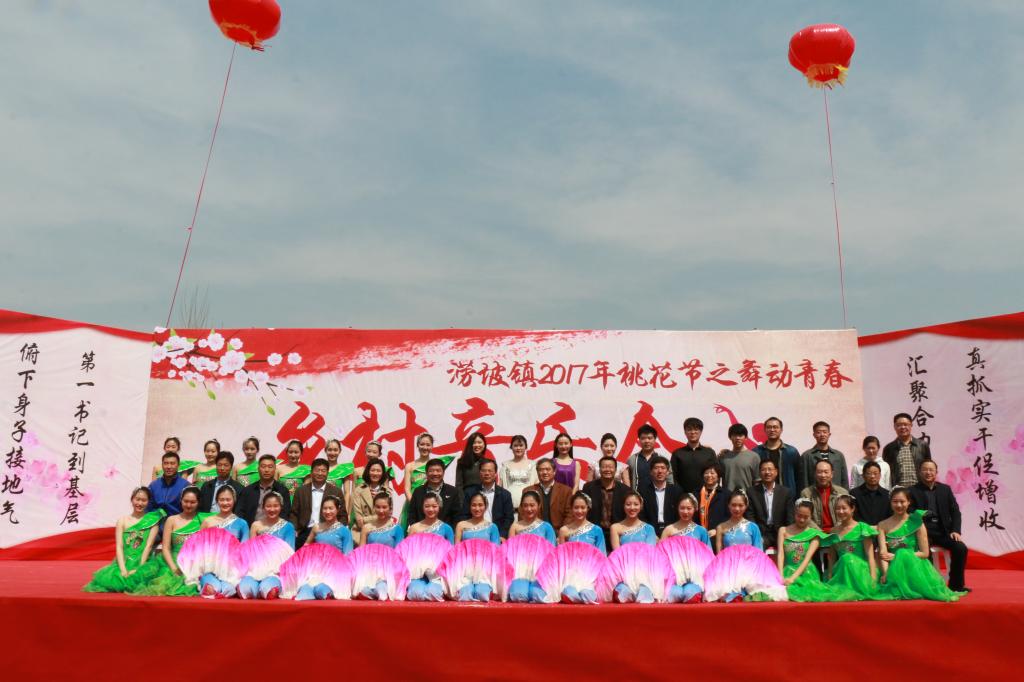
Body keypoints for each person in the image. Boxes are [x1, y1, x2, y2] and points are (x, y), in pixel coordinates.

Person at [878, 488, 964, 601]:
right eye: (895, 501)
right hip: (893, 569)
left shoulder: (917, 522)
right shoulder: (882, 525)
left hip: (916, 567)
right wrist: (886, 575)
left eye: (902, 501)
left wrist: (899, 556)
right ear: (890, 502)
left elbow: (924, 553)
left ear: (909, 502)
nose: (899, 505)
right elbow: (883, 554)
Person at [83, 487, 164, 593]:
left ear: (148, 502)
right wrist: (122, 569)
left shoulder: (152, 521)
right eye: (137, 499)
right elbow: (119, 546)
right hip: (124, 562)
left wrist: (139, 569)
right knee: (117, 581)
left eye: (144, 500)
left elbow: (148, 547)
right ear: (132, 499)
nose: (140, 503)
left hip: (144, 562)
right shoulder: (122, 521)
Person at [132, 486, 208, 597]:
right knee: (164, 584)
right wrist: (173, 568)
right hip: (172, 562)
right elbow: (166, 548)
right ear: (181, 500)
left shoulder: (203, 521)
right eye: (186, 501)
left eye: (192, 502)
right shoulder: (171, 520)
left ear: (198, 502)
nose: (188, 505)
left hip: (195, 563)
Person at [909, 460, 969, 592]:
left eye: (931, 470)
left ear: (936, 472)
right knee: (925, 552)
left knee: (960, 548)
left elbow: (955, 512)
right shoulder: (912, 491)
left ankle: (956, 585)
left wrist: (955, 530)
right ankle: (931, 586)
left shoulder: (945, 489)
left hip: (943, 531)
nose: (928, 472)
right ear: (920, 472)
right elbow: (909, 512)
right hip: (923, 532)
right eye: (925, 469)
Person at [776, 499, 854, 602]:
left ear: (811, 516)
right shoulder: (783, 530)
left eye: (806, 517)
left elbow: (806, 559)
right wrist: (780, 576)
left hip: (806, 573)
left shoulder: (814, 534)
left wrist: (793, 578)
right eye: (799, 516)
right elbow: (780, 554)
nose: (802, 520)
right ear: (795, 513)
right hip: (787, 571)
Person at [822, 495, 888, 600]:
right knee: (845, 559)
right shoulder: (834, 531)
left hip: (861, 573)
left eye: (844, 508)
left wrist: (873, 580)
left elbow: (870, 557)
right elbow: (832, 558)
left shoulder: (862, 528)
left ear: (852, 509)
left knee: (847, 558)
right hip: (842, 571)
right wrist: (830, 576)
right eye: (838, 508)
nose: (840, 511)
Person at [290, 458, 345, 547]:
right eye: (317, 470)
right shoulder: (301, 491)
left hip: (328, 531)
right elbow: (294, 513)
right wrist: (294, 529)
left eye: (323, 471)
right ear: (311, 472)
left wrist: (336, 531)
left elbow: (343, 516)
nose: (320, 473)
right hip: (305, 531)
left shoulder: (336, 491)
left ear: (327, 473)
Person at [581, 455, 630, 549]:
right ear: (599, 470)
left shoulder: (625, 490)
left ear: (615, 470)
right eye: (604, 467)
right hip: (594, 532)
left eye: (611, 467)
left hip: (617, 533)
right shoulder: (588, 487)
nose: (607, 470)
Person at [745, 459, 794, 550]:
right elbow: (750, 516)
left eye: (770, 469)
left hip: (781, 532)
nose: (767, 472)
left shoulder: (786, 492)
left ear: (776, 472)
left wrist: (787, 534)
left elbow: (790, 517)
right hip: (761, 533)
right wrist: (756, 534)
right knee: (756, 548)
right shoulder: (751, 492)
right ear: (759, 473)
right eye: (764, 469)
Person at [459, 459, 514, 538]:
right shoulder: (470, 493)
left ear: (495, 474)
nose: (487, 473)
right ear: (479, 473)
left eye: (490, 471)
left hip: (497, 536)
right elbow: (464, 515)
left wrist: (501, 536)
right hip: (474, 535)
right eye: (484, 471)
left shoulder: (505, 495)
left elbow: (509, 518)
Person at [237, 454, 293, 526]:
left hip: (274, 530)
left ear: (275, 469)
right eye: (263, 467)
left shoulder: (282, 491)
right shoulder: (247, 491)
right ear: (258, 469)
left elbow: (285, 514)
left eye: (270, 467)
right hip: (251, 529)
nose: (266, 470)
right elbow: (240, 512)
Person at [883, 413, 932, 489]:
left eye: (905, 424)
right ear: (894, 427)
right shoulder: (889, 448)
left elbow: (928, 467)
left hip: (919, 490)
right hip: (898, 491)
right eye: (899, 425)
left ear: (911, 425)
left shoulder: (922, 445)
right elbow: (886, 471)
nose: (903, 427)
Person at [408, 458, 461, 528]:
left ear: (443, 472)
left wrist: (448, 531)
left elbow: (457, 516)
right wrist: (418, 530)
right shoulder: (418, 492)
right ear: (426, 473)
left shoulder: (452, 491)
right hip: (422, 532)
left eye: (438, 471)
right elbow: (412, 515)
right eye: (431, 471)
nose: (435, 474)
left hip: (444, 533)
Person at [800, 459, 849, 533]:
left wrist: (835, 531)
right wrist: (820, 533)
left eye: (826, 472)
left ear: (832, 474)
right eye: (819, 472)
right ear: (815, 474)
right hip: (815, 533)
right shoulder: (806, 493)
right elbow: (805, 516)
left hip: (839, 532)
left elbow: (846, 515)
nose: (823, 475)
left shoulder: (842, 492)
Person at [753, 417, 801, 492]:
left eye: (775, 427)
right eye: (769, 427)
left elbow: (799, 477)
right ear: (765, 430)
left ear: (781, 430)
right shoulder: (757, 452)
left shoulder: (791, 452)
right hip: (763, 495)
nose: (772, 430)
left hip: (787, 495)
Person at [670, 417, 716, 495]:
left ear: (701, 431)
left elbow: (716, 474)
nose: (693, 432)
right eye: (689, 429)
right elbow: (673, 477)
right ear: (685, 432)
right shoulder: (677, 453)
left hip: (706, 495)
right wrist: (679, 493)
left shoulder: (709, 452)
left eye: (696, 429)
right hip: (683, 496)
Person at [639, 455, 683, 536]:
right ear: (651, 472)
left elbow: (679, 514)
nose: (660, 471)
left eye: (663, 468)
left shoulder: (677, 491)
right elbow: (641, 515)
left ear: (668, 472)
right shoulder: (643, 491)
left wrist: (672, 531)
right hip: (649, 531)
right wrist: (650, 533)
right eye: (656, 468)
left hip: (672, 530)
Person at [524, 458, 573, 531]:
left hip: (559, 532)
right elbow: (523, 515)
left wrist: (562, 532)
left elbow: (570, 515)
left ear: (554, 471)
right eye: (541, 470)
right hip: (535, 532)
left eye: (548, 469)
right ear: (537, 472)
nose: (544, 472)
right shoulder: (528, 491)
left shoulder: (566, 491)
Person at [148, 451, 190, 532]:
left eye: (172, 463)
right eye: (166, 463)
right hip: (156, 526)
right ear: (162, 465)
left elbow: (189, 510)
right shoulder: (154, 485)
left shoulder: (185, 486)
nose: (169, 467)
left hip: (177, 527)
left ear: (178, 466)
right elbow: (147, 508)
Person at [799, 422, 848, 491]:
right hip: (814, 494)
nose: (822, 435)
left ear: (829, 434)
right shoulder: (807, 455)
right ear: (814, 435)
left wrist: (845, 494)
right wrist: (806, 495)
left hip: (836, 494)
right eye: (818, 432)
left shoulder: (838, 455)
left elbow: (844, 479)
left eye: (825, 432)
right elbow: (804, 480)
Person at [623, 424, 673, 491]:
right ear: (639, 440)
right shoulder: (632, 459)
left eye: (649, 438)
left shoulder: (663, 459)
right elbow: (627, 481)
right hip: (637, 496)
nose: (647, 441)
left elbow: (670, 482)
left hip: (658, 496)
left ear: (655, 439)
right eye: (643, 438)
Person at [350, 457, 391, 531]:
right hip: (360, 531)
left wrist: (365, 519)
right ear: (368, 471)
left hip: (382, 531)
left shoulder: (387, 492)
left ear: (382, 473)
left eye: (378, 471)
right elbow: (359, 520)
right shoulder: (358, 490)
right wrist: (377, 518)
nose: (375, 473)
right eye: (372, 470)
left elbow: (387, 517)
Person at [719, 424, 761, 493]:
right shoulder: (723, 457)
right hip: (727, 497)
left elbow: (757, 481)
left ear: (746, 437)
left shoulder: (754, 457)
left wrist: (754, 496)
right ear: (730, 437)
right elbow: (716, 479)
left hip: (748, 496)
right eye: (734, 435)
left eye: (740, 435)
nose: (738, 438)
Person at [499, 434, 536, 511]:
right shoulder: (505, 465)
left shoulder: (533, 465)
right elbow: (500, 487)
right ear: (511, 447)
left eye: (521, 445)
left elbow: (537, 487)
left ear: (526, 447)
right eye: (515, 446)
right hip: (510, 510)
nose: (518, 448)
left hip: (529, 510)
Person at [697, 462, 730, 540]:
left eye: (712, 473)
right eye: (706, 473)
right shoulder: (696, 493)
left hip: (718, 536)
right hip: (699, 536)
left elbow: (729, 516)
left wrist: (717, 530)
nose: (709, 475)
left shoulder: (726, 494)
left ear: (718, 476)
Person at [850, 461, 890, 526]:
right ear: (863, 476)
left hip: (882, 529)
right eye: (868, 473)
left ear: (880, 475)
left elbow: (889, 516)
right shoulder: (854, 494)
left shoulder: (887, 495)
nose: (872, 476)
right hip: (861, 529)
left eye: (875, 473)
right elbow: (853, 515)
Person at [454, 432, 488, 500]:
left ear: (484, 444)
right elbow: (459, 485)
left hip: (484, 497)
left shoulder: (488, 463)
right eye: (474, 443)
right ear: (470, 445)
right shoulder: (462, 462)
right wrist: (462, 502)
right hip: (467, 497)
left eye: (479, 442)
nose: (477, 445)